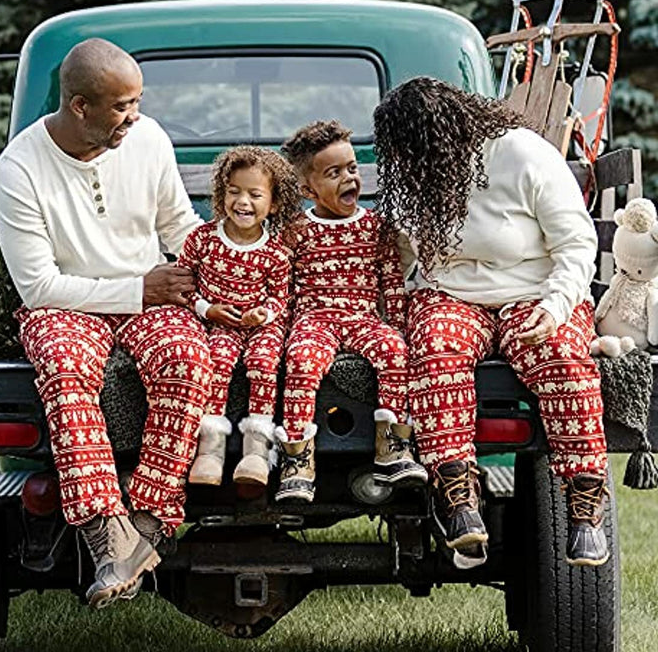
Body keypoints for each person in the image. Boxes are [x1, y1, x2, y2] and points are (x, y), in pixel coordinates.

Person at [0, 38, 210, 607]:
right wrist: (138, 289)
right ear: (80, 105)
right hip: (67, 306)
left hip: (151, 294)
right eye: (121, 106)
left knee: (189, 359)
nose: (134, 117)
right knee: (65, 369)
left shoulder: (149, 138)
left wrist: (225, 271)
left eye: (137, 102)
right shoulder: (20, 167)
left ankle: (147, 524)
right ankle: (105, 535)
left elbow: (178, 225)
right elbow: (37, 286)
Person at [372, 76, 609, 568]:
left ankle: (585, 506)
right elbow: (402, 259)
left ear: (446, 132)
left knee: (562, 356)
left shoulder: (522, 154)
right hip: (455, 296)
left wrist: (556, 307)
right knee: (436, 348)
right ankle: (458, 497)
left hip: (536, 292)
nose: (410, 162)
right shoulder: (415, 178)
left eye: (417, 149)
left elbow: (576, 243)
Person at [275, 120, 428, 503]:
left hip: (363, 318)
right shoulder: (297, 231)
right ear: (309, 190)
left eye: (352, 168)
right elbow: (282, 286)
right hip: (314, 320)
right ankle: (298, 460)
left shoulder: (376, 228)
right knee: (302, 359)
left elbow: (392, 279)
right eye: (334, 173)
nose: (348, 179)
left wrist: (397, 324)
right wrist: (280, 332)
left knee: (395, 351)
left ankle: (393, 446)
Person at [180, 146, 301, 489]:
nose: (242, 202)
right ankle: (211, 449)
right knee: (216, 360)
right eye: (234, 192)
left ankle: (256, 450)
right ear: (221, 195)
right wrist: (208, 309)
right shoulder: (203, 240)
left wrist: (264, 313)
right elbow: (184, 284)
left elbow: (282, 297)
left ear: (273, 204)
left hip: (262, 327)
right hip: (220, 323)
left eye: (254, 194)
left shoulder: (276, 252)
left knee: (264, 362)